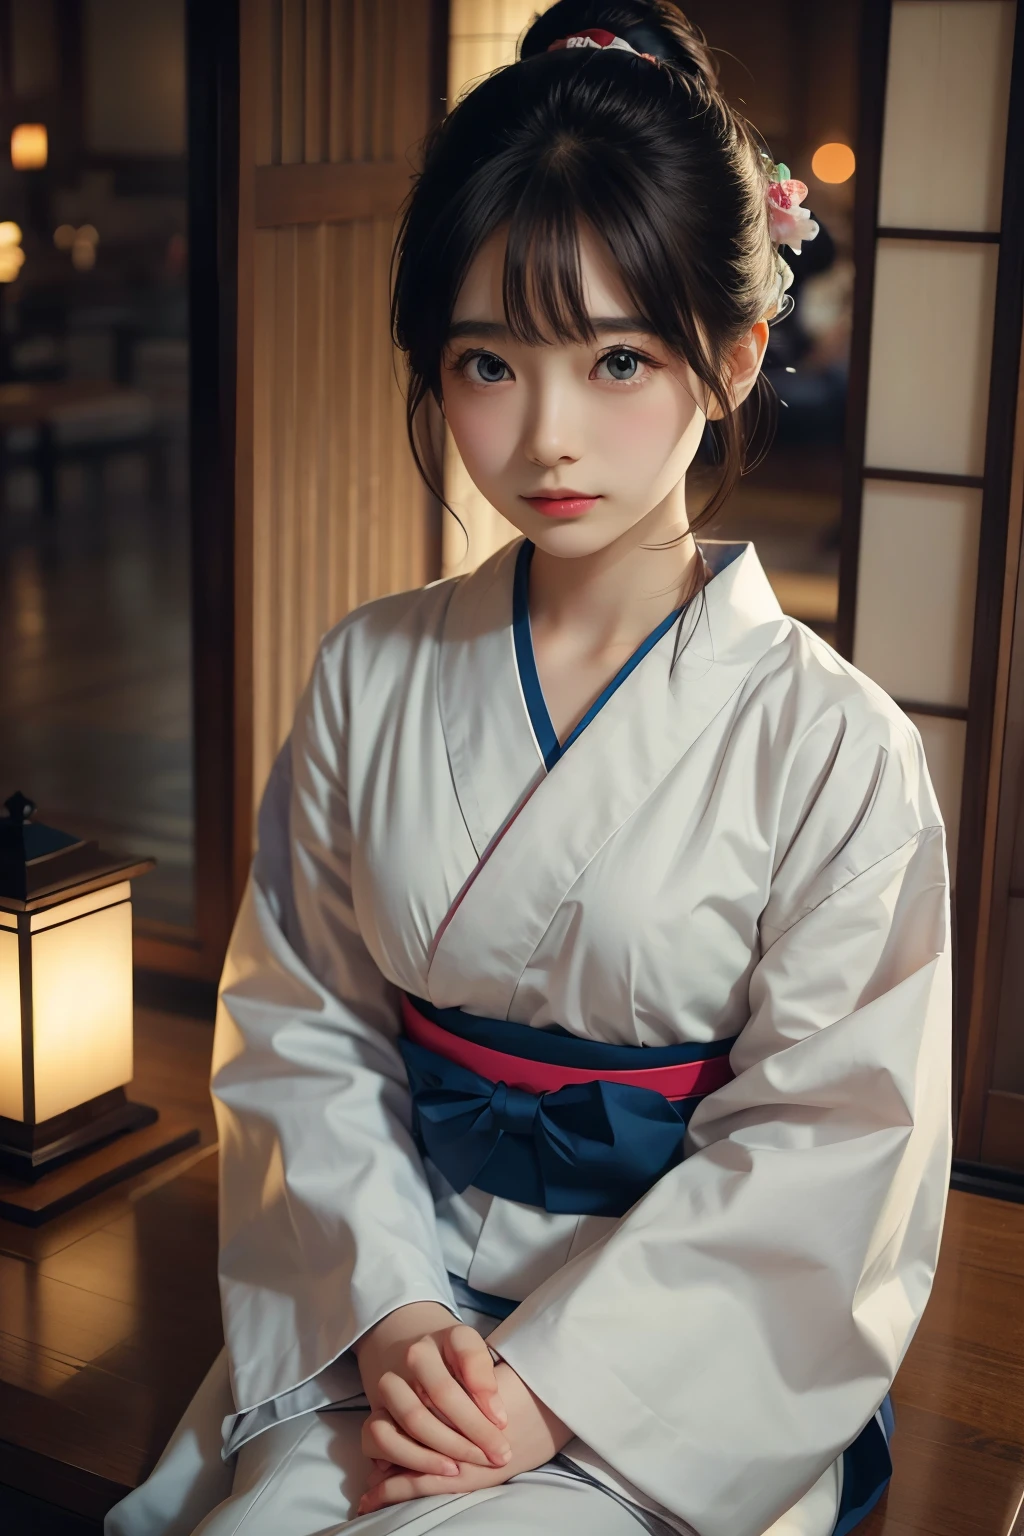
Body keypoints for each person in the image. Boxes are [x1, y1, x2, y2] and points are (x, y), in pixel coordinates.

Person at [105, 4, 952, 1534]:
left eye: (618, 357)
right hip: (396, 1310)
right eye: (489, 361)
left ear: (736, 354)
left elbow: (833, 1145)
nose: (548, 436)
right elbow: (308, 1029)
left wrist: (553, 1387)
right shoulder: (370, 670)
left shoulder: (837, 749)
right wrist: (392, 1317)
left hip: (669, 1368)